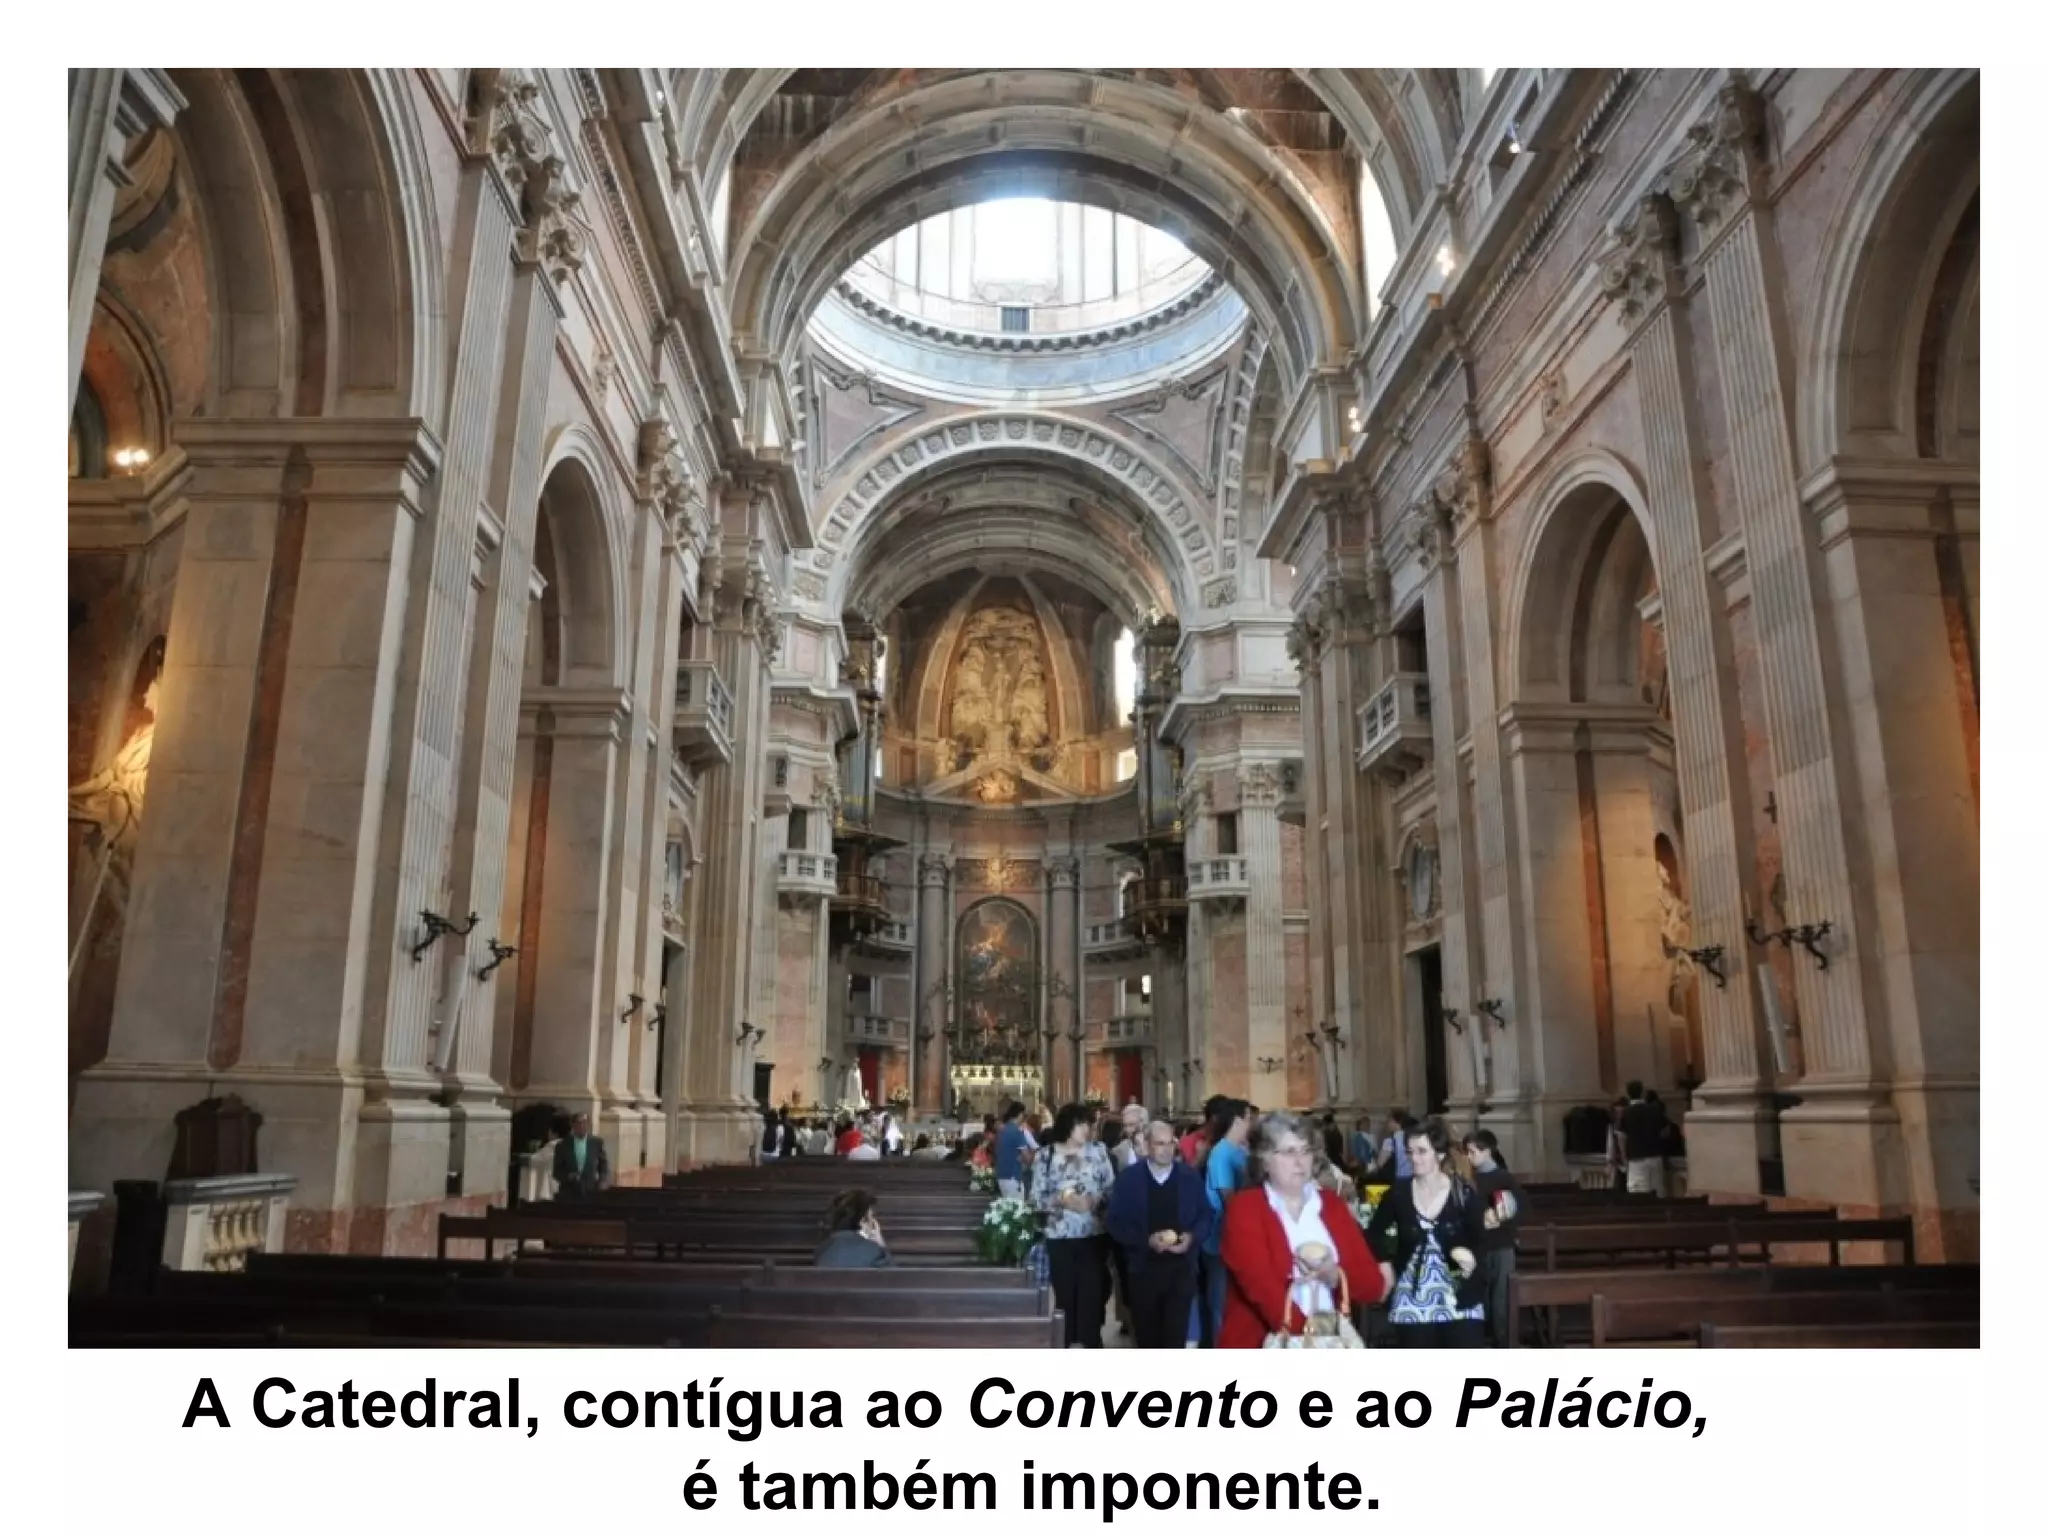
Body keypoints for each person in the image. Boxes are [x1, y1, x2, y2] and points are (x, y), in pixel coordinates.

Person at [1217, 1110, 1387, 1347]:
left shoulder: (1332, 1205)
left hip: (1328, 1343)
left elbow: (1372, 1286)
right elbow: (1263, 1290)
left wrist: (1335, 1276)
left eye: (1305, 1151)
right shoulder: (1246, 1208)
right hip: (1263, 1345)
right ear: (1264, 1160)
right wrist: (1313, 1337)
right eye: (1289, 1152)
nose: (1300, 1161)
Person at [1367, 1116, 1488, 1347]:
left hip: (1459, 1295)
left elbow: (1481, 1239)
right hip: (1412, 1298)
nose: (1414, 1158)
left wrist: (1472, 1259)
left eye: (1422, 1151)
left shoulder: (1462, 1193)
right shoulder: (1399, 1193)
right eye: (1410, 1151)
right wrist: (1384, 1264)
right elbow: (1373, 1233)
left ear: (1440, 1154)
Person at [1106, 1119, 1210, 1348]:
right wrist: (1146, 1241)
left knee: (1175, 1338)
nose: (1166, 1150)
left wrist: (1192, 1238)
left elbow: (1205, 1215)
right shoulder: (1129, 1179)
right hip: (1143, 1270)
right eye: (1159, 1144)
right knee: (1147, 1338)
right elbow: (1114, 1223)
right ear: (1147, 1145)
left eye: (1170, 1143)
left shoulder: (1189, 1177)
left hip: (1181, 1268)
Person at [1030, 1102, 1118, 1347]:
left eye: (1088, 1125)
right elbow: (1035, 1199)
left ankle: (1090, 1342)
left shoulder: (1099, 1151)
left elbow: (1111, 1188)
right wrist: (1060, 1200)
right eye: (1081, 1125)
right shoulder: (1045, 1156)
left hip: (1093, 1233)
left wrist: (1095, 1199)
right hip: (1060, 1236)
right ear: (1067, 1126)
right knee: (1066, 1294)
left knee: (1092, 1293)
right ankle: (1065, 1341)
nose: (1087, 1130)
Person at [1197, 1098, 1252, 1346]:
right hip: (1220, 1239)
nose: (1252, 1124)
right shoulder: (1221, 1153)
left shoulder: (1240, 1151)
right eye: (1249, 1118)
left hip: (1236, 1238)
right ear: (1239, 1121)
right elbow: (1228, 1197)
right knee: (1219, 1302)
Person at [1461, 1128, 1523, 1347]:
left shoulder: (1503, 1177)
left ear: (1487, 1151)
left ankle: (1504, 1341)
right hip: (1479, 1245)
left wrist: (1502, 1217)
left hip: (1502, 1243)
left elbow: (1521, 1208)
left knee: (1501, 1297)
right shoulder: (1469, 1180)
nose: (1468, 1157)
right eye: (1466, 1152)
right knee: (1482, 1296)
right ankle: (1482, 1340)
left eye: (1473, 1152)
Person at [814, 1188, 890, 1268]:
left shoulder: (821, 1249)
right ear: (863, 1222)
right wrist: (881, 1245)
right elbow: (895, 1278)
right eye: (872, 1217)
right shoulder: (875, 1252)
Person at [1621, 1080, 1669, 1195]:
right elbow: (1665, 1131)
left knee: (1639, 1194)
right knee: (1658, 1190)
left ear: (1628, 1094)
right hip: (1655, 1155)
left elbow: (1622, 1137)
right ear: (1642, 1093)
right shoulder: (1654, 1110)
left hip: (1636, 1158)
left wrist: (1624, 1158)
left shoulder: (1626, 1113)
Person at [551, 1112, 610, 1200]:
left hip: (591, 1189)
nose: (582, 1126)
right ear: (573, 1125)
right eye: (579, 1123)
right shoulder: (562, 1145)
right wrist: (569, 1176)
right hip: (569, 1191)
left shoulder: (596, 1143)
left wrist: (603, 1179)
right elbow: (556, 1171)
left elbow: (603, 1164)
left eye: (585, 1123)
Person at [994, 1100, 1031, 1197]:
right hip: (1013, 1176)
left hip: (1001, 1175)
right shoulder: (1017, 1132)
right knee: (1016, 1210)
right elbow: (1027, 1158)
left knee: (1007, 1208)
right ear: (1020, 1114)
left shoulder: (1001, 1130)